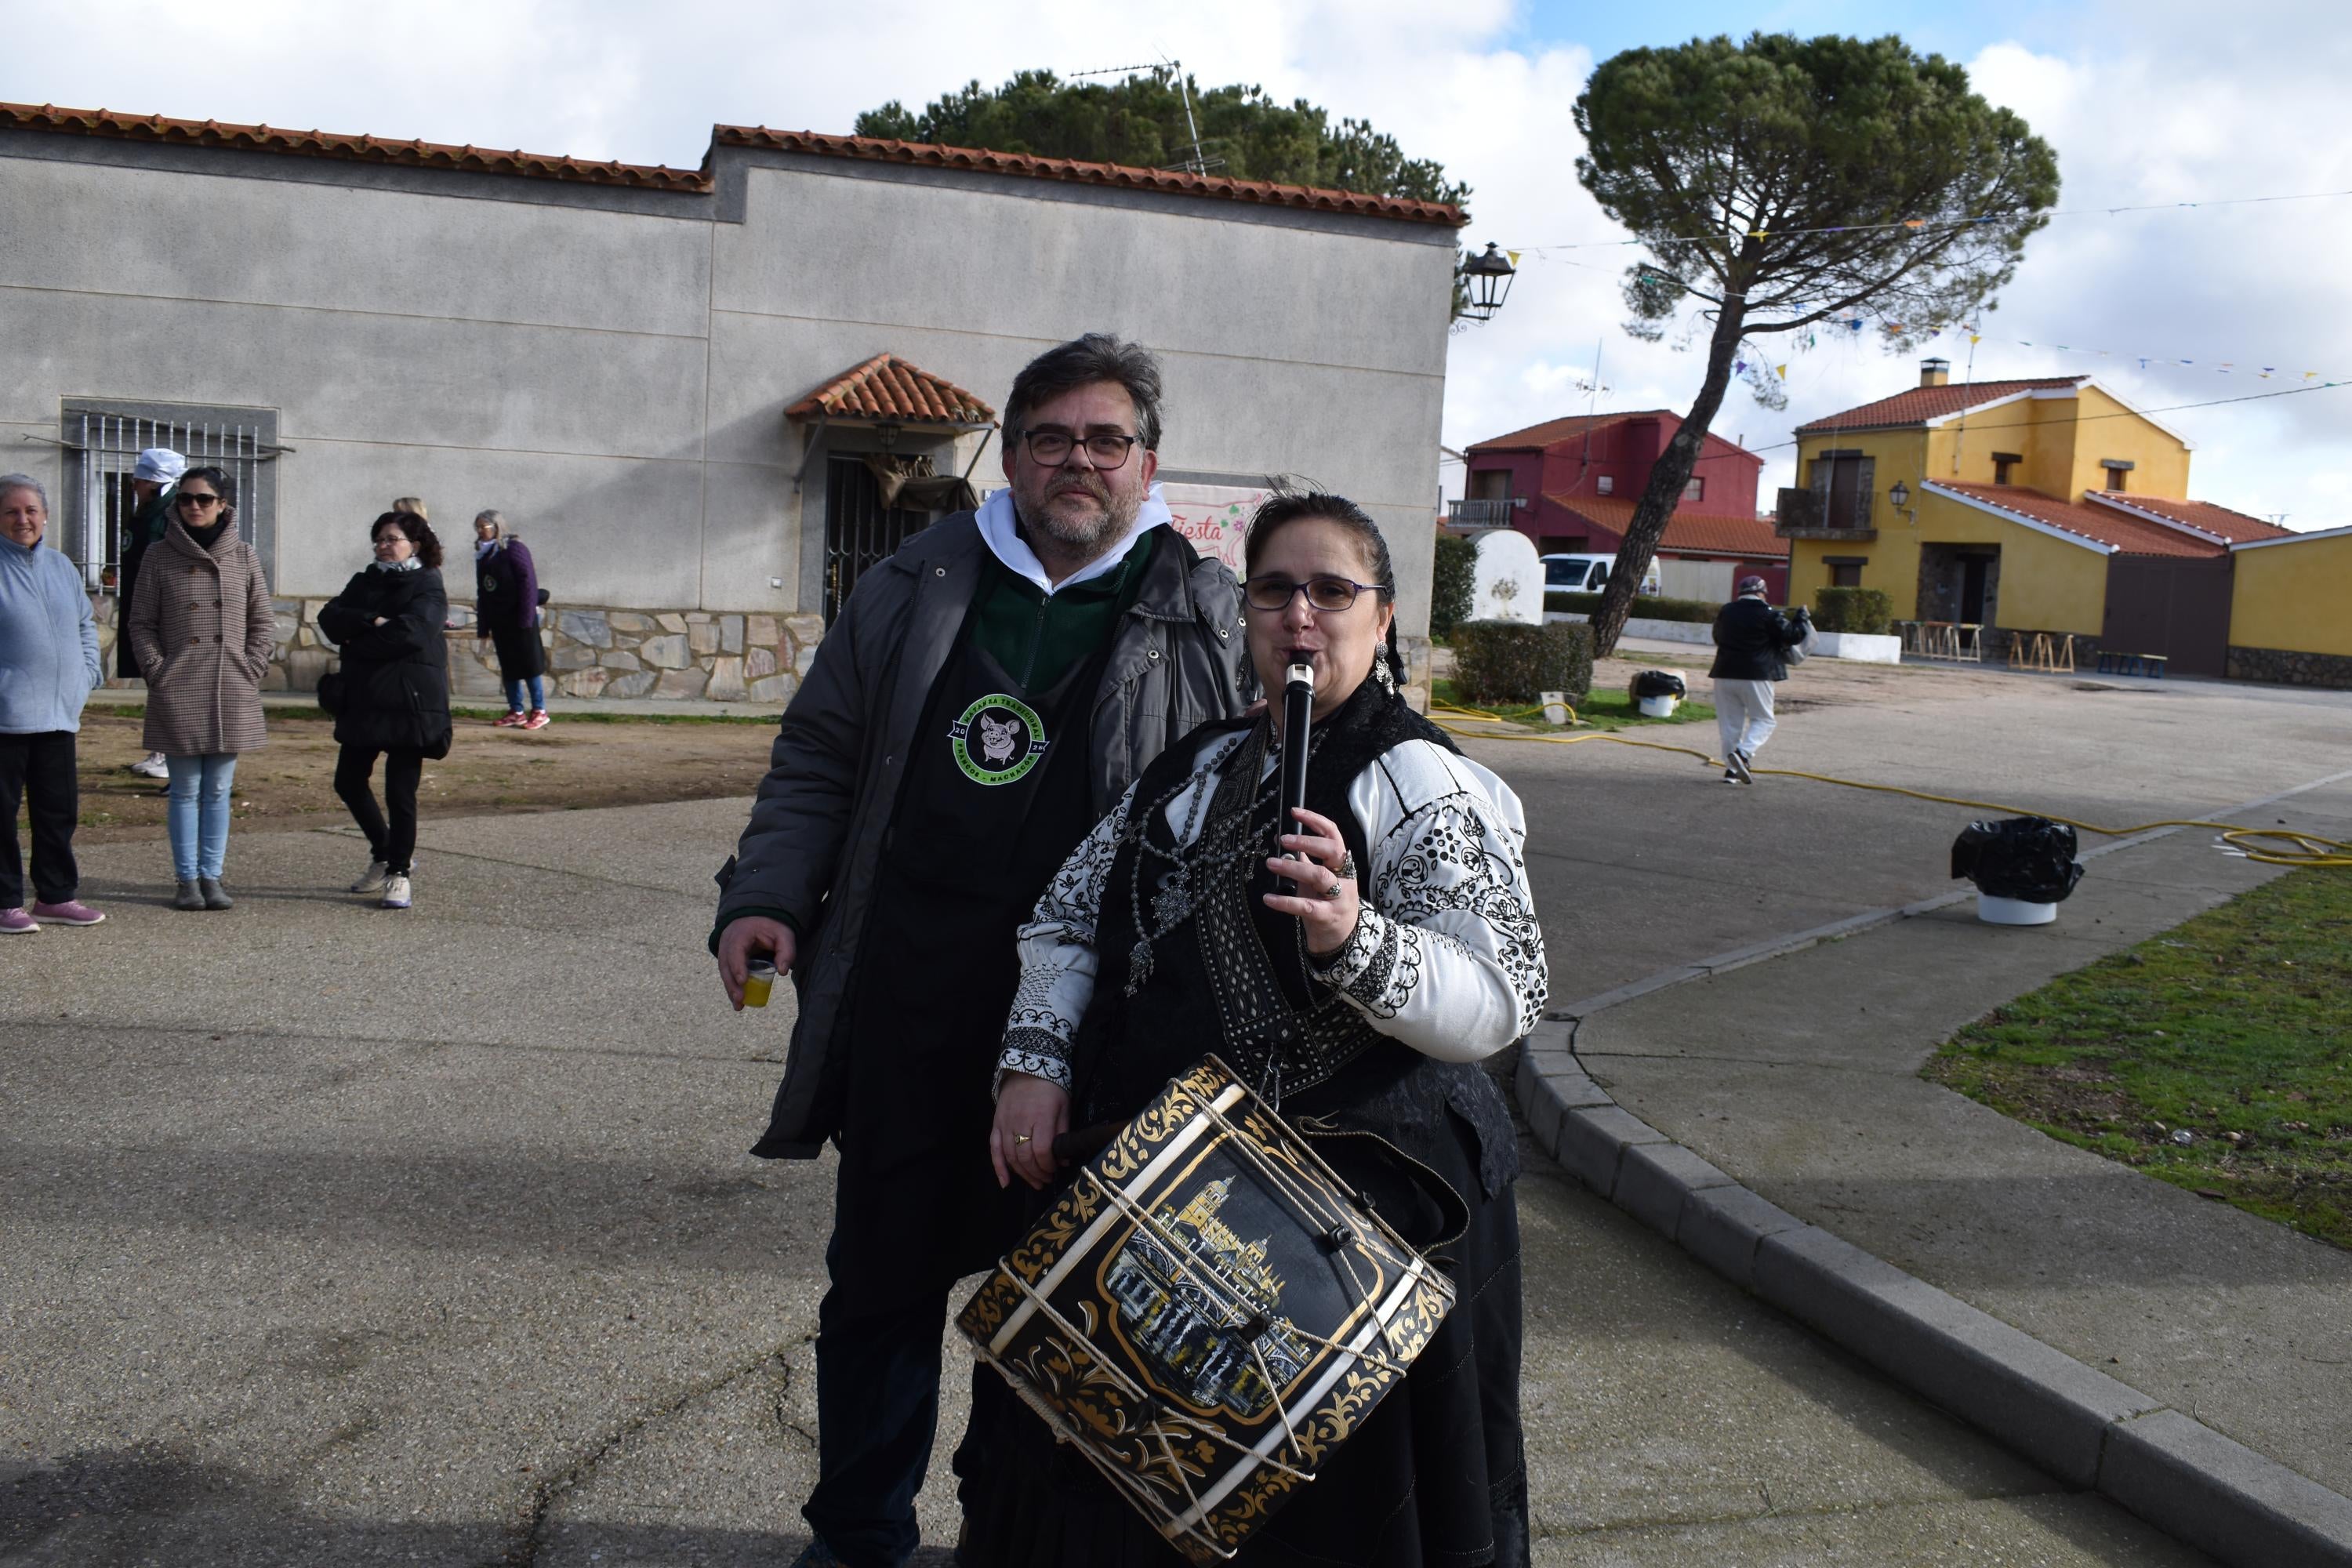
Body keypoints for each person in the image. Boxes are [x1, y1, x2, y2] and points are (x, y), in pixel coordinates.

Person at [711, 334, 1253, 1568]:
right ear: (1011, 455)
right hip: (911, 1004)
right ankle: (856, 1536)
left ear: (1147, 463)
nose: (1079, 461)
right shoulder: (913, 585)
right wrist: (768, 895)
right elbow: (817, 763)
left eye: (1106, 440)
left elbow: (1245, 803)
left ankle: (1019, 1542)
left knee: (1071, 1314)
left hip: (1098, 1036)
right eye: (1052, 437)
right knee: (881, 1294)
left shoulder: (1208, 611)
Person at [963, 491, 1546, 1568]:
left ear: (1383, 617)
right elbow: (1064, 920)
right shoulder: (1193, 769)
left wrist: (1354, 939)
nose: (1301, 616)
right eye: (1276, 590)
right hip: (1165, 1185)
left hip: (1355, 1223)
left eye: (1334, 591)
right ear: (1247, 615)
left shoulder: (1422, 782)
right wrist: (1033, 1068)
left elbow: (1503, 995)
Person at [125, 465, 273, 911]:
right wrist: (158, 670)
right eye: (186, 498)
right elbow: (141, 622)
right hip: (179, 685)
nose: (193, 506)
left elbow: (262, 620)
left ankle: (213, 876)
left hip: (231, 682)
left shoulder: (244, 555)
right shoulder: (157, 555)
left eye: (204, 499)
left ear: (222, 504)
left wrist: (251, 666)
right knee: (185, 790)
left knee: (219, 790)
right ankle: (186, 879)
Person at [321, 512, 452, 911]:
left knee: (400, 792)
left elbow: (412, 633)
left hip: (409, 700)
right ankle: (385, 852)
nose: (383, 545)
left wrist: (357, 641)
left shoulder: (427, 582)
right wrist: (371, 619)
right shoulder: (366, 580)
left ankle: (399, 874)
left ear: (415, 543)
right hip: (366, 697)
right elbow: (330, 617)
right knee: (348, 780)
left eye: (392, 538)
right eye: (378, 538)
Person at [0, 474, 108, 932]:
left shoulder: (62, 566)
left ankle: (56, 895)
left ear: (45, 516)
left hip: (59, 714)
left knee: (58, 811)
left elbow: (86, 624)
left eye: (31, 511)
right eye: (11, 511)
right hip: (6, 719)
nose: (23, 519)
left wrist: (86, 675)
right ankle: (5, 903)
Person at [119, 447, 186, 779]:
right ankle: (160, 751)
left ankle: (172, 755)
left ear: (152, 481)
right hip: (141, 606)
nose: (134, 483)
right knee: (156, 682)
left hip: (162, 613)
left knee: (167, 681)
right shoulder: (147, 509)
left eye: (140, 478)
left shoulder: (167, 513)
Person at [1708, 575, 1808, 785]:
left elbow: (1717, 637)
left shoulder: (1727, 611)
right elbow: (1793, 636)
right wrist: (1801, 618)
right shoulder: (1769, 614)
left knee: (1729, 725)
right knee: (1764, 720)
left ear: (1741, 593)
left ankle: (1731, 772)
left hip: (1724, 673)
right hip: (1757, 675)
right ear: (1762, 593)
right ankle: (1743, 755)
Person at [473, 510, 546, 729]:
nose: (479, 531)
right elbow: (483, 591)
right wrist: (484, 625)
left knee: (529, 664)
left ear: (496, 527)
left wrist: (525, 618)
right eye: (477, 527)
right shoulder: (483, 554)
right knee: (509, 667)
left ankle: (539, 710)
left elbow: (528, 583)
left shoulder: (514, 549)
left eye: (483, 527)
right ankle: (516, 710)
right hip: (500, 619)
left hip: (520, 618)